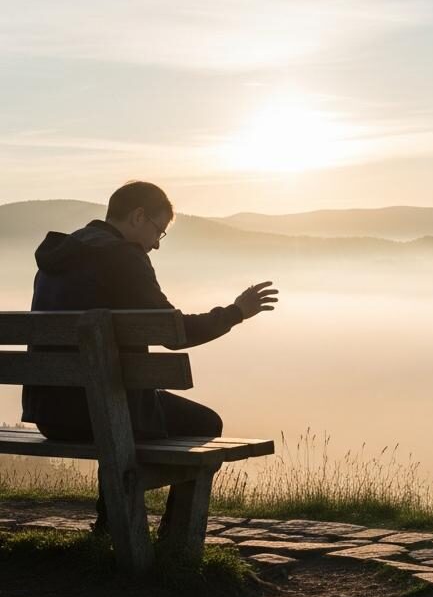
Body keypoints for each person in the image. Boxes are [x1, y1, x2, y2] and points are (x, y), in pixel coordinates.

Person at [21, 180, 279, 533]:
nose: (156, 244)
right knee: (205, 424)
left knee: (116, 409)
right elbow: (172, 334)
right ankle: (175, 539)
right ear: (138, 216)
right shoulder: (123, 257)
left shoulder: (57, 255)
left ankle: (113, 520)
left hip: (49, 412)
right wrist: (236, 312)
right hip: (98, 415)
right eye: (158, 230)